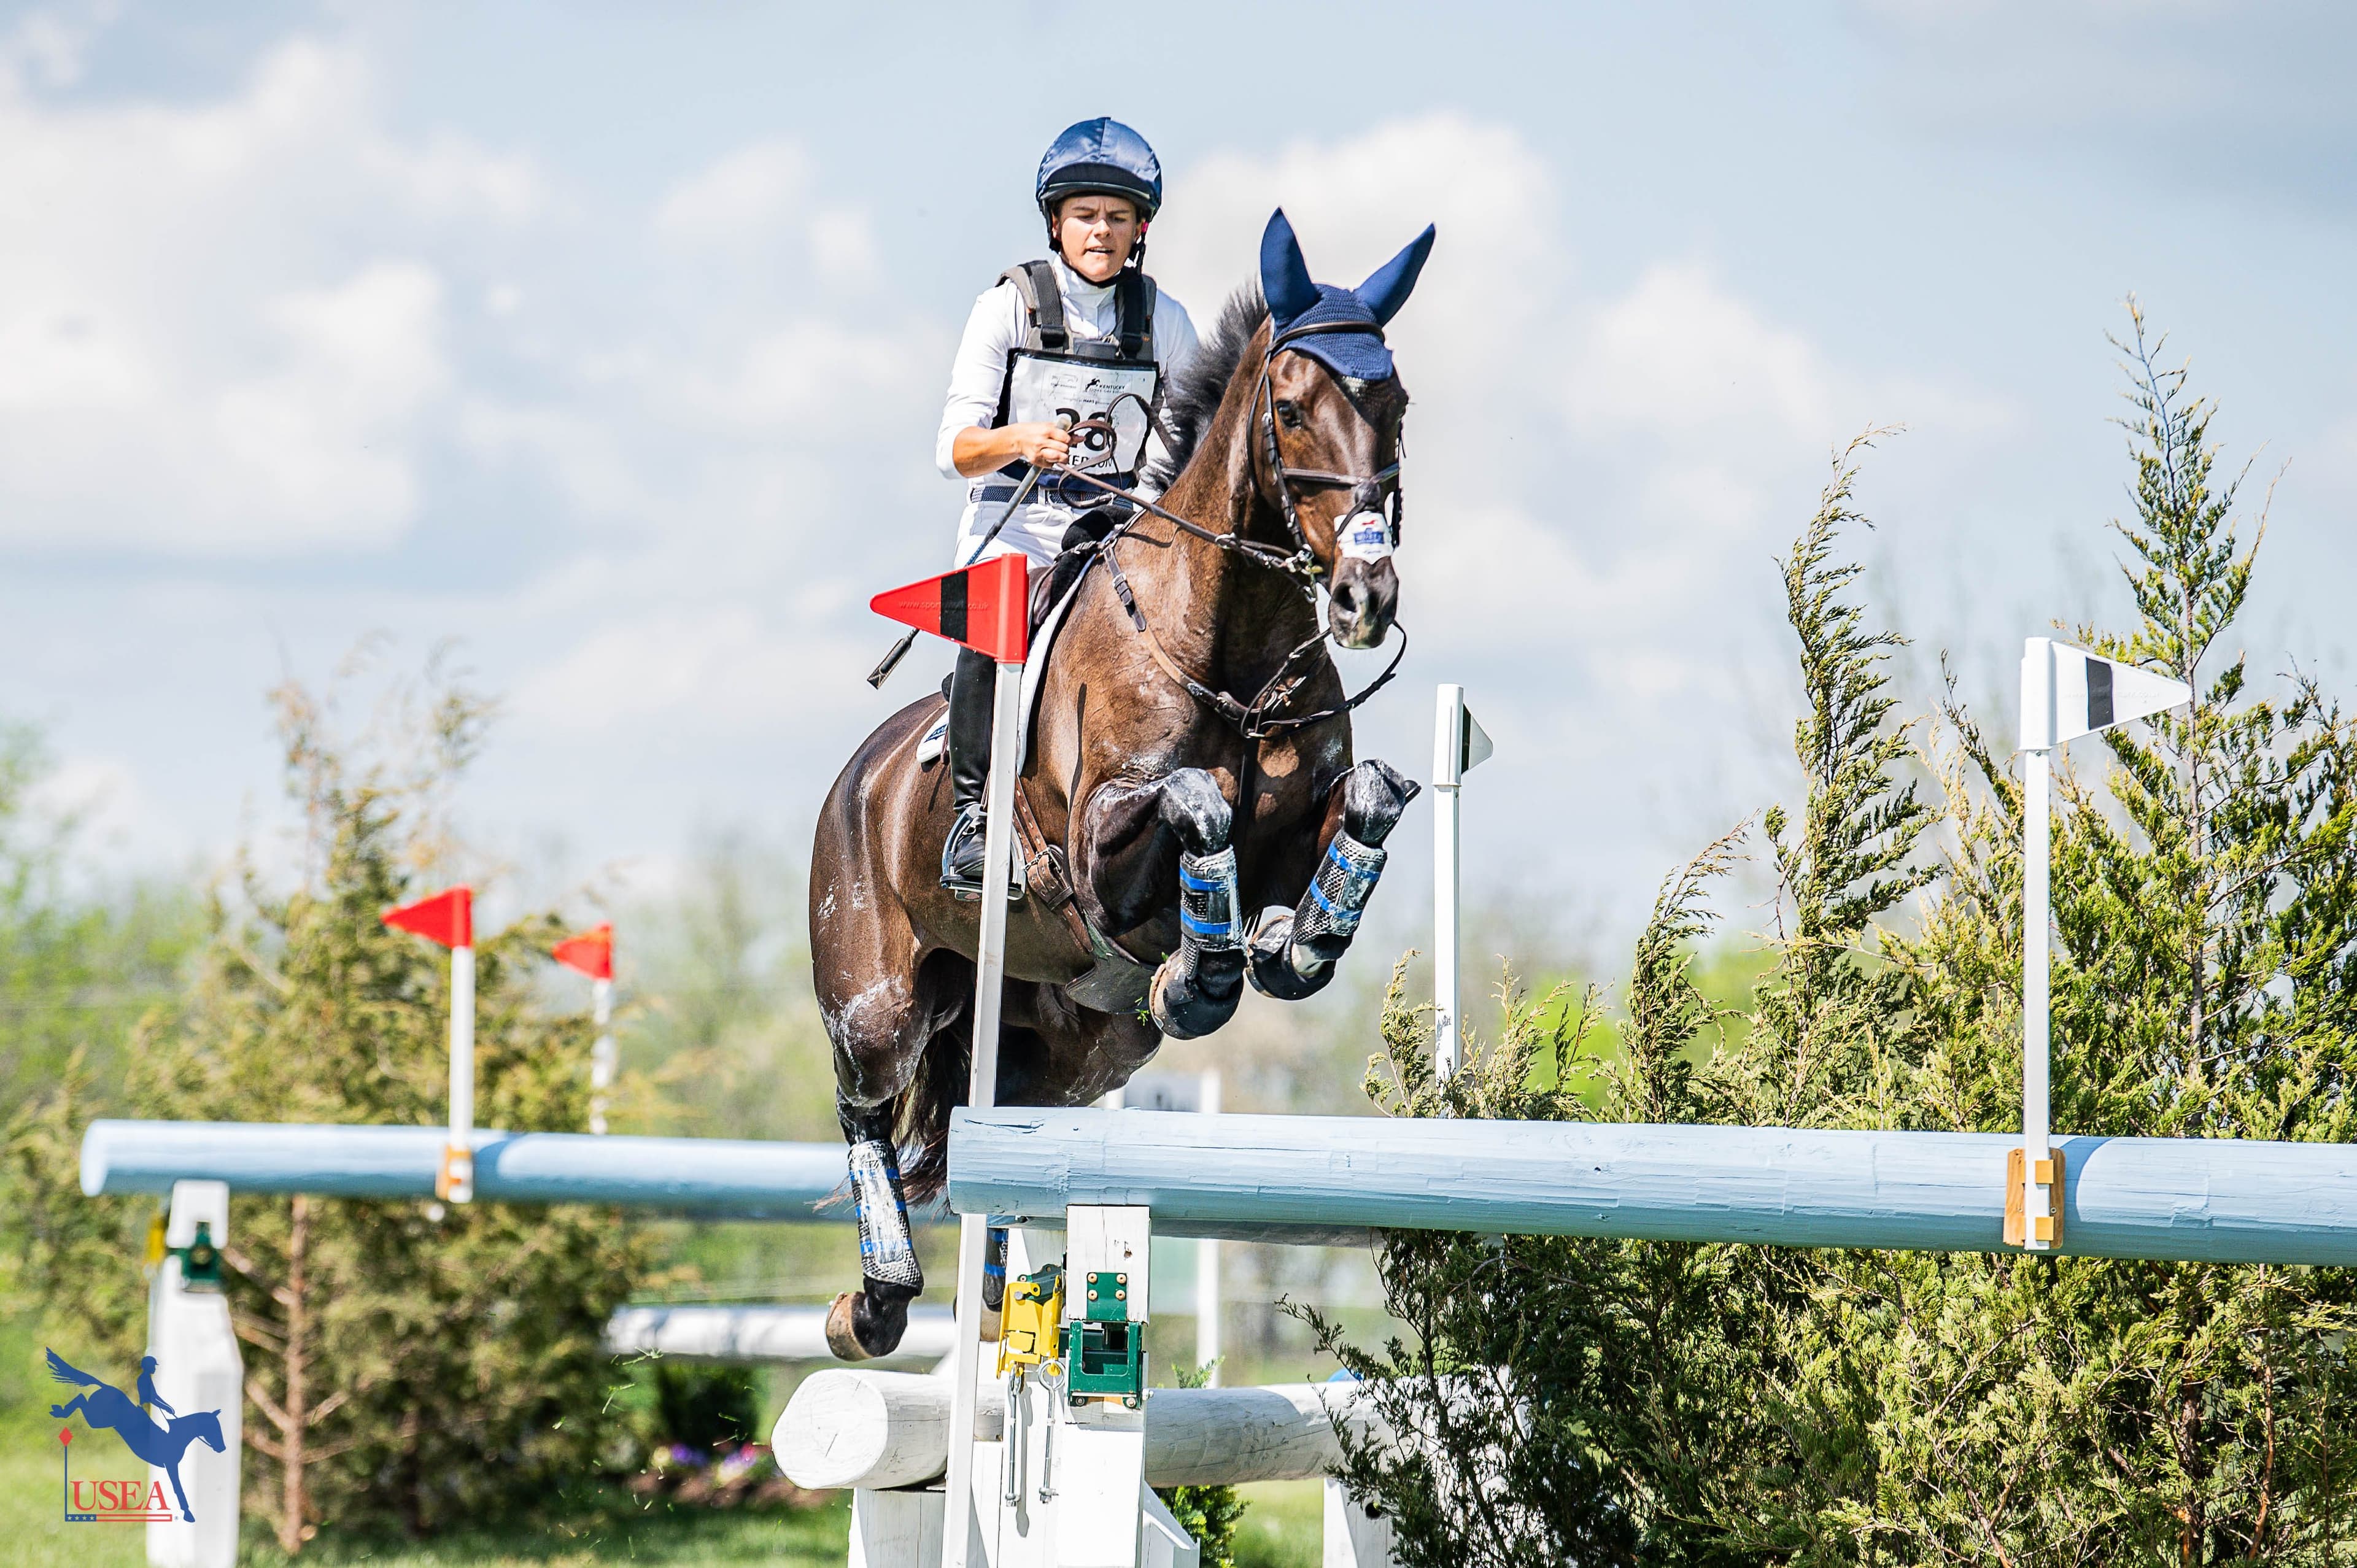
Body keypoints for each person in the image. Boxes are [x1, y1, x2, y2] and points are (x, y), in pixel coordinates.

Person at [933, 116, 1199, 894]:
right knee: (1000, 610)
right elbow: (951, 449)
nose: (1102, 231)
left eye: (1118, 218)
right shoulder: (1006, 307)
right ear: (1057, 222)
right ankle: (975, 818)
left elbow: (1182, 448)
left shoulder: (1167, 323)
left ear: (1139, 228)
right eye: (1086, 215)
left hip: (1114, 528)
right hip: (1011, 515)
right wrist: (1019, 439)